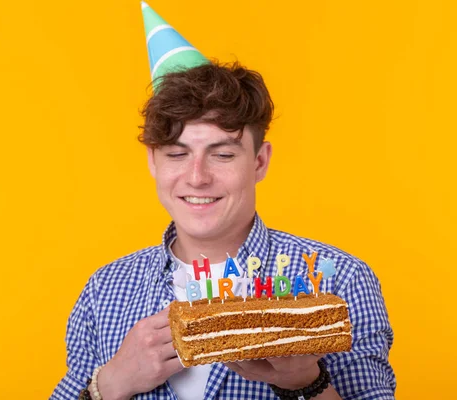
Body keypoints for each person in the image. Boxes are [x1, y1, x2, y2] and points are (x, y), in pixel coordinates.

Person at [51, 4, 395, 399]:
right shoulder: (105, 291)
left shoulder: (342, 281)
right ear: (152, 162)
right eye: (176, 154)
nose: (197, 176)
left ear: (260, 161)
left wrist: (307, 381)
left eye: (223, 154)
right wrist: (110, 385)